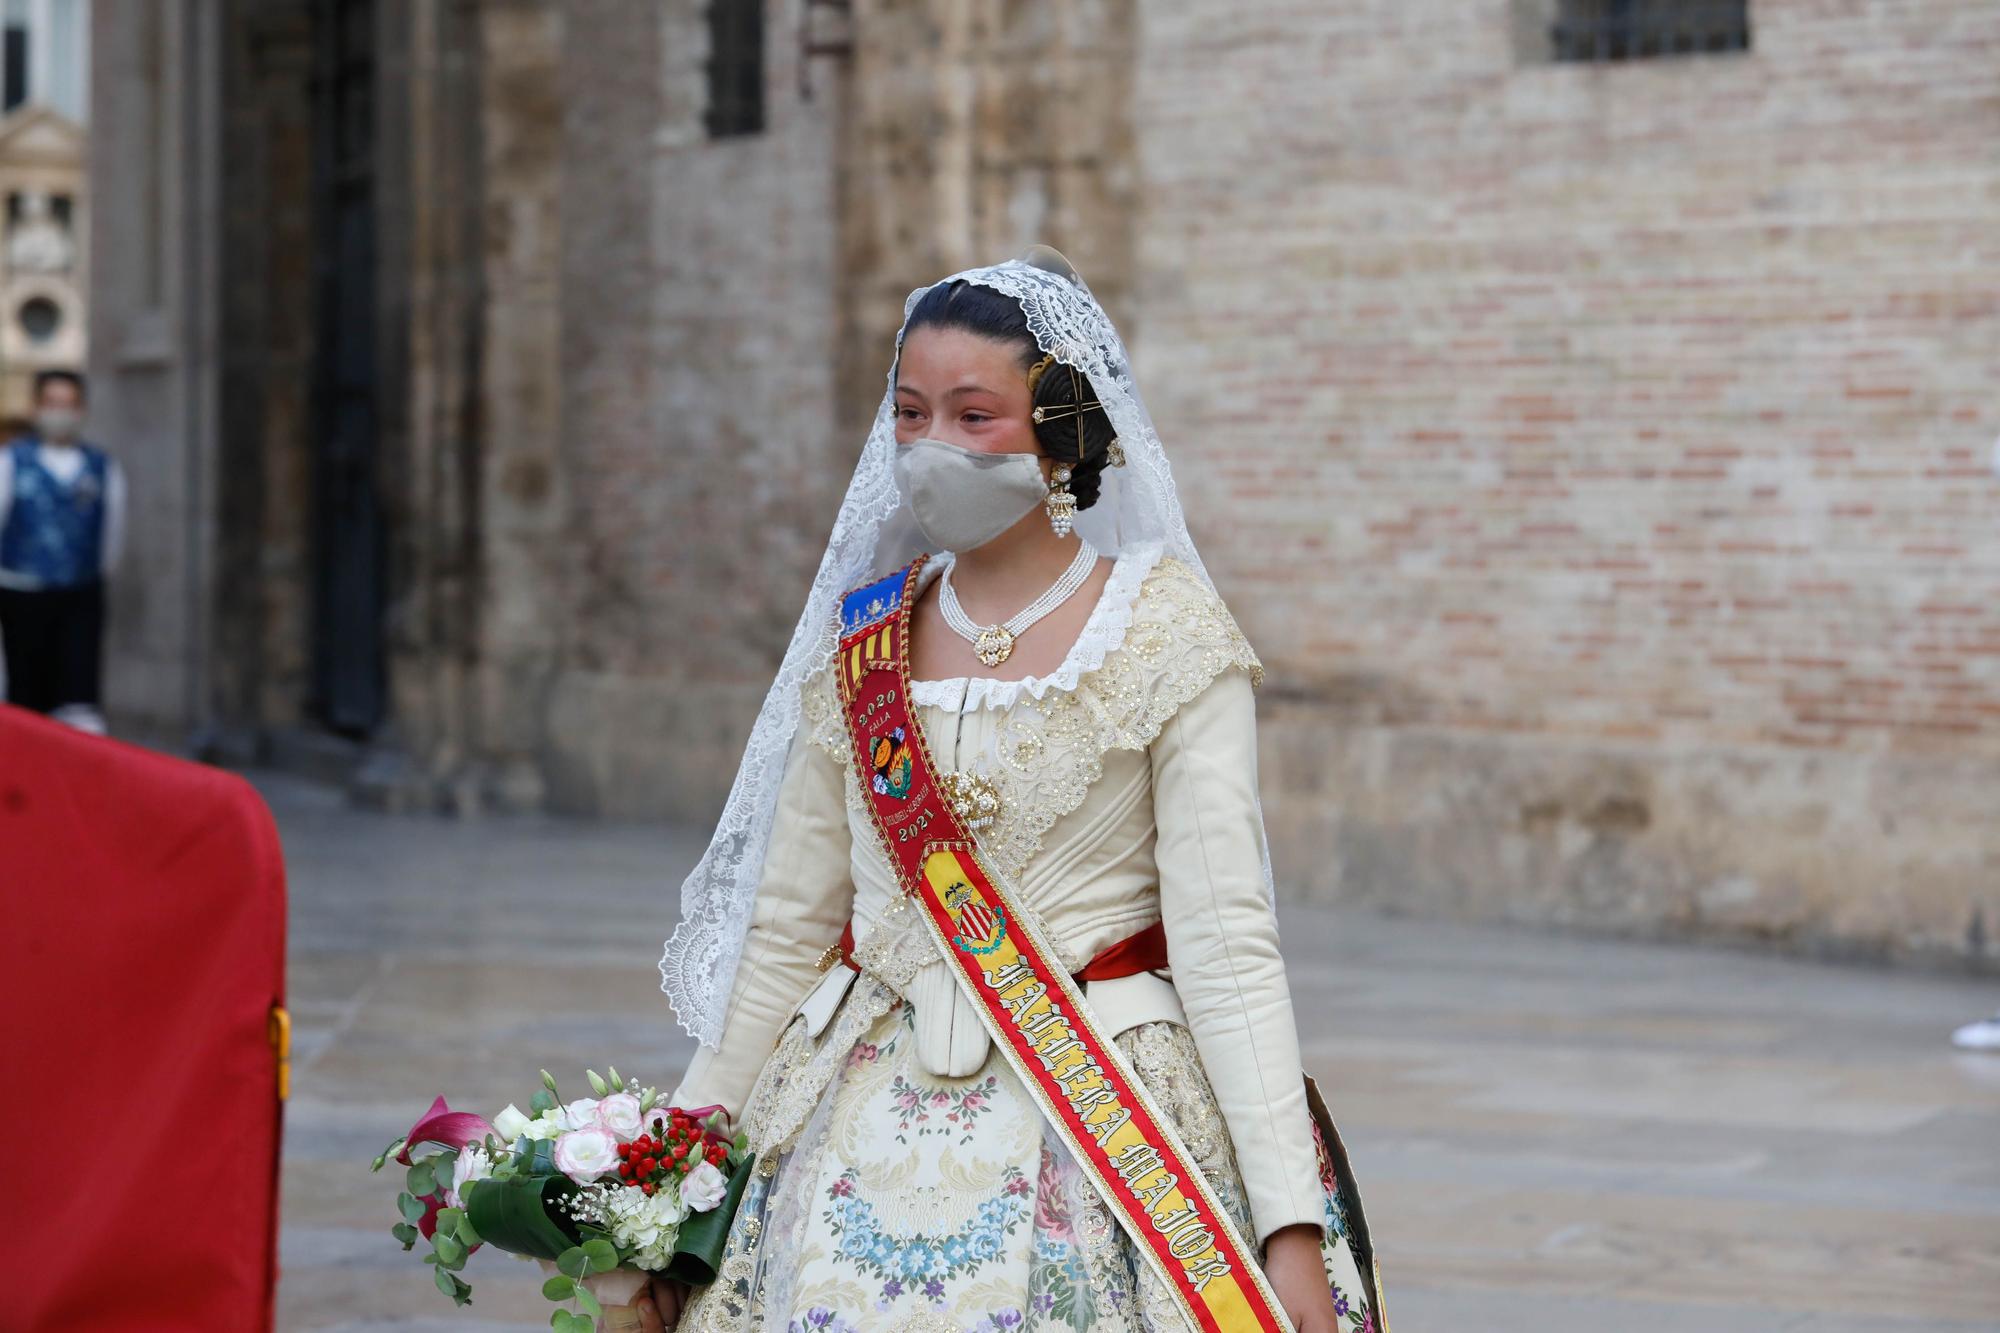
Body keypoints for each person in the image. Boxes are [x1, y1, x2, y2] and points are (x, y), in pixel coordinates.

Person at [631, 248, 1382, 1333]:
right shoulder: (859, 651)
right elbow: (785, 938)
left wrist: (1288, 1230)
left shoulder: (1166, 637)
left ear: (1060, 430)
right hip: (843, 1122)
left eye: (973, 416)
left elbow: (1226, 942)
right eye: (908, 413)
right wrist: (664, 1179)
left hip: (1101, 1121)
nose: (931, 446)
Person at [0, 369, 124, 734]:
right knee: (25, 699)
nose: (60, 412)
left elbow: (112, 538)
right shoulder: (11, 462)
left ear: (82, 409)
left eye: (69, 404)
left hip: (79, 595)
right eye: (52, 403)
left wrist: (85, 577)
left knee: (78, 703)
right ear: (37, 408)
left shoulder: (102, 467)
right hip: (20, 596)